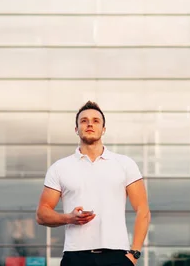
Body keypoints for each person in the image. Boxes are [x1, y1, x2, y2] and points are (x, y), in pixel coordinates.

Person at [36, 101, 151, 265]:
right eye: (84, 121)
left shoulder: (125, 164)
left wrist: (134, 254)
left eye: (96, 121)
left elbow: (143, 210)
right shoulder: (60, 168)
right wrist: (69, 218)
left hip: (117, 256)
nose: (90, 124)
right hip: (75, 257)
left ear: (103, 129)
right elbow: (41, 214)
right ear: (76, 129)